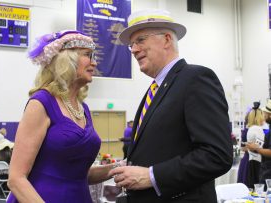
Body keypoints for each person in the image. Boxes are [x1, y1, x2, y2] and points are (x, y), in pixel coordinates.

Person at [108, 9, 233, 203]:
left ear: (166, 39)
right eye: (131, 44)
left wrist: (151, 176)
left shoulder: (196, 79)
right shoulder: (156, 89)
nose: (133, 49)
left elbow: (217, 155)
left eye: (140, 40)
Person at [7, 30, 120, 203]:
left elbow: (80, 174)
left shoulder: (84, 109)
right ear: (67, 60)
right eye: (88, 55)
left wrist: (118, 168)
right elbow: (16, 179)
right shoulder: (41, 102)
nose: (94, 62)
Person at [247, 99, 271, 189]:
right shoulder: (259, 129)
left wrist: (256, 148)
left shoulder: (254, 128)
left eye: (265, 113)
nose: (264, 116)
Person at [241, 102, 265, 189]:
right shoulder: (258, 129)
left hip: (250, 160)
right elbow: (259, 147)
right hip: (256, 162)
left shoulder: (250, 129)